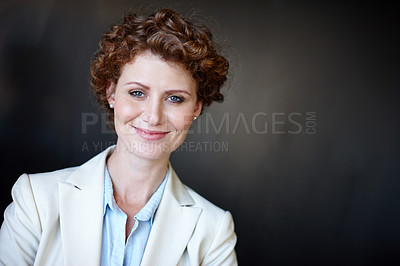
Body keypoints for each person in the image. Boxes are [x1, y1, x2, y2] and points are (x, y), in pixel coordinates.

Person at [0, 8, 237, 266]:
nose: (153, 116)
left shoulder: (214, 231)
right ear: (111, 93)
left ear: (196, 108)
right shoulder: (35, 200)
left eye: (174, 98)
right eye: (137, 93)